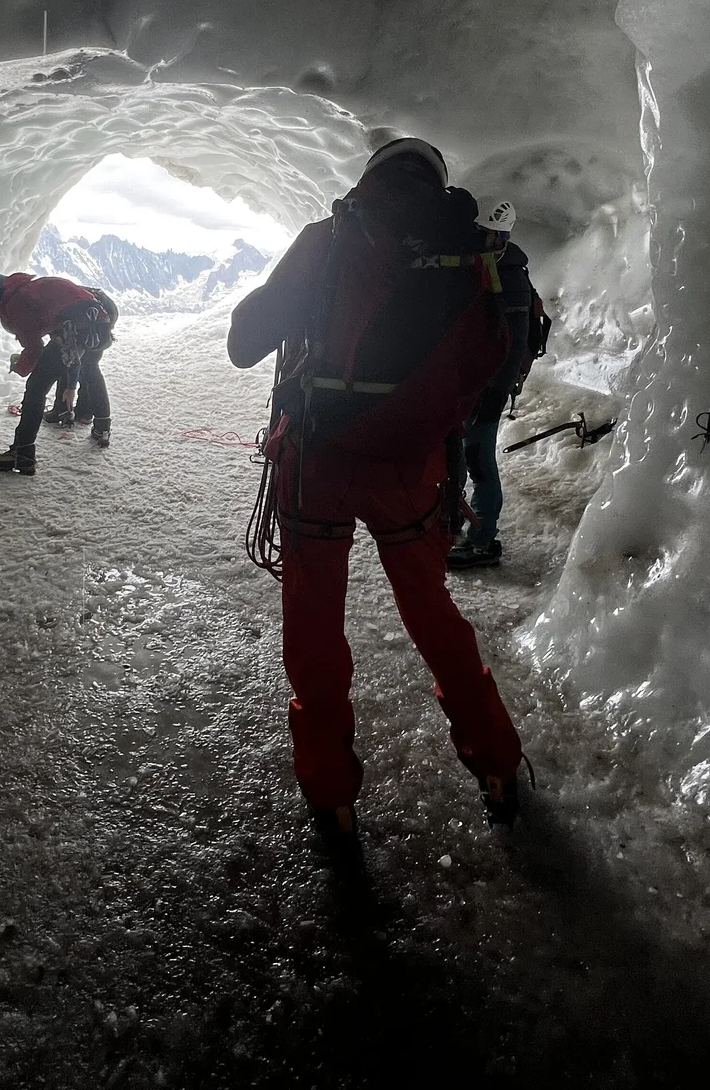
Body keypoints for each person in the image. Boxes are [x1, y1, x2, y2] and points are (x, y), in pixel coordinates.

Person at [228, 136, 527, 842]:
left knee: (313, 626)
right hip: (412, 463)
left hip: (315, 463)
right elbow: (501, 360)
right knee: (433, 614)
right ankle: (496, 762)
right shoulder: (468, 247)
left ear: (369, 180)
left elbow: (245, 344)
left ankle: (330, 791)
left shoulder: (329, 237)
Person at [448, 201, 534, 570]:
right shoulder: (487, 267)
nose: (480, 240)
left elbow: (513, 343)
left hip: (489, 387)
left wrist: (494, 390)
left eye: (485, 234)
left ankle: (483, 540)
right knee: (456, 452)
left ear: (499, 236)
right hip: (470, 384)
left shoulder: (510, 276)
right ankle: (457, 519)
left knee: (478, 457)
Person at [0, 272, 115, 473]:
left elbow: (37, 349)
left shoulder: (17, 302)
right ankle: (102, 425)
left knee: (36, 388)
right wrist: (69, 385)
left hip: (77, 328)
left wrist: (21, 367)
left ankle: (22, 454)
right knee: (89, 369)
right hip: (98, 325)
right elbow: (68, 347)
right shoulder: (31, 289)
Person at [42, 286, 120, 425]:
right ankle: (88, 415)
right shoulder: (55, 304)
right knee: (88, 367)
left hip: (94, 317)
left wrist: (70, 388)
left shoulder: (58, 313)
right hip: (105, 311)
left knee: (77, 362)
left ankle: (63, 411)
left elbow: (71, 358)